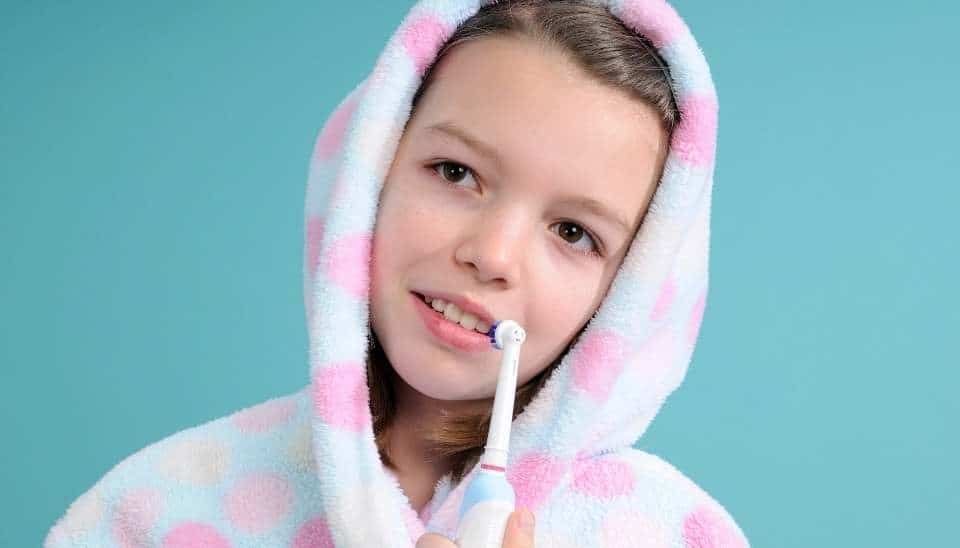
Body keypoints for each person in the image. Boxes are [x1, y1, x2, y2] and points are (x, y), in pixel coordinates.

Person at [46, 1, 748, 546]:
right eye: (456, 173)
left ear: (629, 292)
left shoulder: (675, 534)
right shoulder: (154, 513)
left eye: (573, 232)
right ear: (370, 168)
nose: (492, 254)